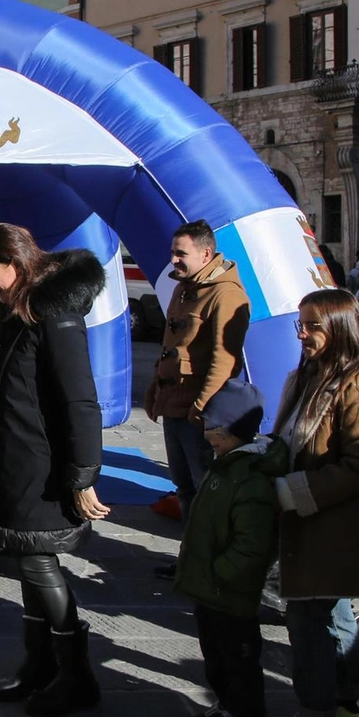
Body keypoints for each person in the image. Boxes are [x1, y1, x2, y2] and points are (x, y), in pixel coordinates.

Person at [0, 224, 109, 717]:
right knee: (26, 559)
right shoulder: (20, 309)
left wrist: (84, 472)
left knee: (38, 560)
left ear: (16, 263)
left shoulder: (55, 314)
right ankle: (40, 663)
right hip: (18, 456)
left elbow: (80, 398)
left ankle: (76, 675)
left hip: (43, 461)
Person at [262, 288, 359, 717]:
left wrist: (291, 491)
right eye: (300, 323)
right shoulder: (308, 377)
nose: (302, 333)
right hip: (308, 520)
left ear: (339, 327)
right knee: (335, 618)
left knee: (309, 623)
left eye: (312, 325)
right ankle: (348, 706)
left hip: (335, 525)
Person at [173, 379, 287, 717]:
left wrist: (221, 572)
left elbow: (252, 545)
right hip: (211, 587)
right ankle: (227, 705)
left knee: (240, 659)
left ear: (235, 432)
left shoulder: (252, 477)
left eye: (216, 434)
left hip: (231, 589)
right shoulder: (226, 464)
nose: (209, 440)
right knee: (216, 654)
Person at [145, 220, 250, 578]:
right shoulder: (184, 288)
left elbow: (225, 359)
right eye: (173, 251)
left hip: (198, 415)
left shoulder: (225, 293)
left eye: (180, 253)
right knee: (185, 488)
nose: (173, 259)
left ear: (206, 254)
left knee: (207, 492)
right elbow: (169, 345)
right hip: (174, 405)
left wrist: (202, 407)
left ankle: (211, 563)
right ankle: (192, 559)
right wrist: (154, 388)